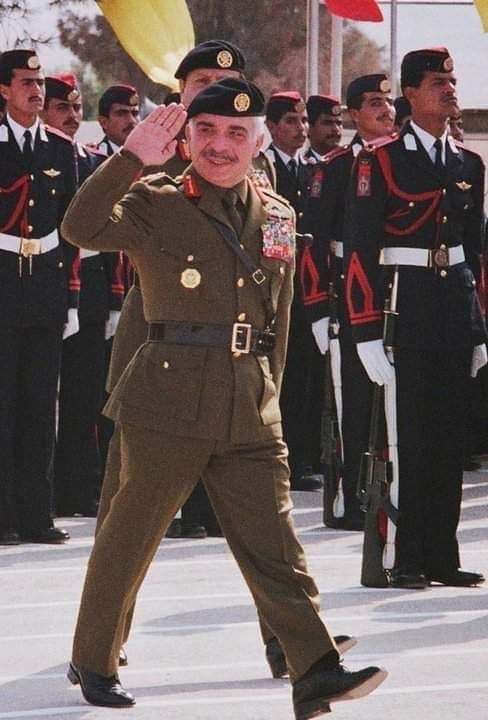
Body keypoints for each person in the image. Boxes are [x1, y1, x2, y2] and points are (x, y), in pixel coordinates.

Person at [62, 79, 387, 716]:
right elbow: (79, 227)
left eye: (237, 133)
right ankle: (94, 659)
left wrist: (271, 398)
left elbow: (278, 320)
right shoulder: (156, 199)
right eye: (206, 131)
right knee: (130, 538)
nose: (220, 145)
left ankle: (314, 670)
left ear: (257, 141)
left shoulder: (278, 214)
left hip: (248, 402)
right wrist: (131, 157)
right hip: (167, 397)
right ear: (186, 139)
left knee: (276, 544)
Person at [343, 48, 487, 589]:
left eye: (452, 80)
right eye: (436, 82)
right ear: (409, 93)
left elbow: (473, 252)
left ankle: (442, 555)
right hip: (402, 311)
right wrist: (364, 331)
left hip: (451, 312)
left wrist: (477, 327)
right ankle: (403, 556)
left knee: (450, 439)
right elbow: (360, 250)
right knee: (407, 441)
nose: (449, 90)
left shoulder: (467, 163)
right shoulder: (379, 160)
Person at [302, 74, 395, 531]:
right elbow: (313, 240)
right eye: (374, 102)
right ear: (353, 113)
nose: (385, 110)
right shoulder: (337, 166)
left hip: (397, 296)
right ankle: (349, 497)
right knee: (352, 404)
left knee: (393, 408)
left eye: (388, 102)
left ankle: (388, 493)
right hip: (348, 301)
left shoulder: (401, 159)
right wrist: (319, 307)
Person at [0, 49, 78, 545]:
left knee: (39, 405)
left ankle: (37, 515)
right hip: (3, 284)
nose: (36, 90)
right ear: (3, 90)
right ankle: (4, 516)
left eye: (40, 82)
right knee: (3, 405)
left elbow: (73, 226)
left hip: (45, 286)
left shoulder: (60, 148)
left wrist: (71, 296)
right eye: (26, 82)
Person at [42, 73, 125, 517]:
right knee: (41, 395)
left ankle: (80, 487)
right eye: (62, 108)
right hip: (44, 281)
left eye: (77, 108)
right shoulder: (39, 157)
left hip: (90, 285)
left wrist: (114, 298)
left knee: (86, 393)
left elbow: (114, 239)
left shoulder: (93, 161)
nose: (73, 116)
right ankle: (43, 489)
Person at [265, 92, 323, 492]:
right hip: (277, 283)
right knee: (277, 376)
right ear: (271, 126)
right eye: (291, 121)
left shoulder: (314, 170)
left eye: (303, 121)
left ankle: (301, 458)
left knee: (305, 375)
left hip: (308, 286)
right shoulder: (263, 169)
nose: (301, 129)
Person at [96, 84, 140, 155]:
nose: (132, 120)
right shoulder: (94, 158)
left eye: (135, 114)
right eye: (122, 114)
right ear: (103, 122)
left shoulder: (150, 157)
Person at [305, 94, 343, 161]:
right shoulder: (301, 165)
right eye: (328, 123)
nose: (336, 129)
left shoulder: (353, 164)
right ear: (309, 128)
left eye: (339, 123)